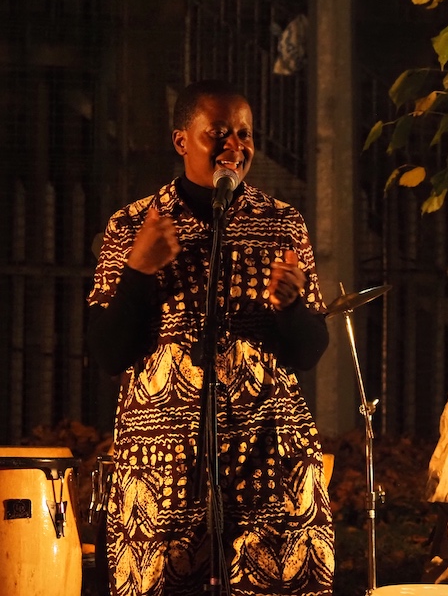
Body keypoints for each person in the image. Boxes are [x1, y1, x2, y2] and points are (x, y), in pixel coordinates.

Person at [87, 80, 334, 596]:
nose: (234, 147)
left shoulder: (282, 223)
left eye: (244, 134)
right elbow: (108, 351)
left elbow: (309, 351)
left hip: (269, 451)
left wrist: (289, 307)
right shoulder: (134, 225)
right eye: (218, 134)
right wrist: (138, 270)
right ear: (182, 141)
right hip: (164, 464)